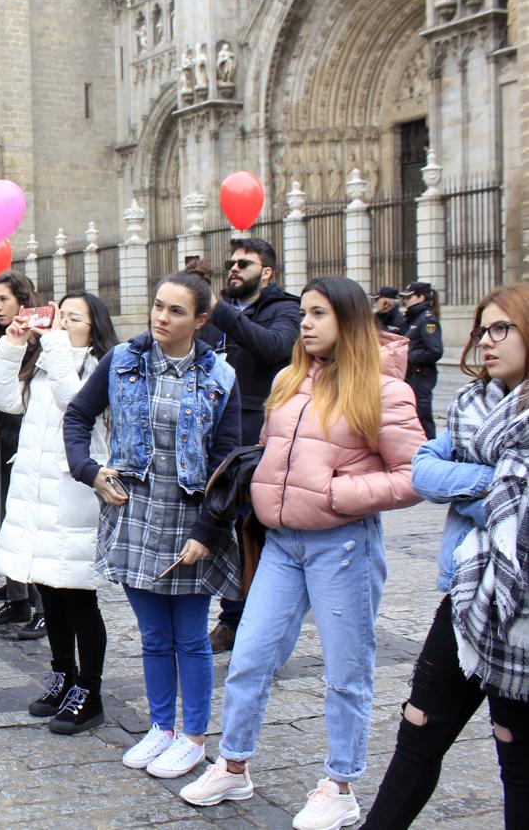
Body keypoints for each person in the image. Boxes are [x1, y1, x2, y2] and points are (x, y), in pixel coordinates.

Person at [179, 277, 427, 828]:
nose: (306, 324)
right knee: (249, 658)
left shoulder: (384, 391)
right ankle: (234, 765)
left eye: (318, 314)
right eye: (306, 313)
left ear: (349, 320)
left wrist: (340, 495)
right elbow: (271, 451)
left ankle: (340, 784)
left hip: (343, 547)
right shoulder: (290, 379)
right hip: (281, 545)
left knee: (346, 669)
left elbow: (416, 476)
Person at [361, 283, 529, 829]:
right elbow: (424, 471)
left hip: (519, 610)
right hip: (466, 594)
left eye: (501, 328)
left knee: (517, 756)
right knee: (418, 728)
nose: (485, 340)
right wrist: (496, 485)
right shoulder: (470, 403)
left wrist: (487, 492)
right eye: (482, 329)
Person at [65, 271, 242, 779]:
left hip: (190, 520)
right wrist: (89, 471)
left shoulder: (220, 376)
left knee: (189, 636)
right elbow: (77, 417)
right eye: (158, 306)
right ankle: (161, 726)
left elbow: (228, 462)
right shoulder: (122, 361)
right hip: (133, 513)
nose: (162, 317)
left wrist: (209, 532)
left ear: (201, 320)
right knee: (152, 634)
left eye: (177, 311)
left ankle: (193, 736)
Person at [0, 290, 118, 732]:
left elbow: (78, 403)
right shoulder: (47, 363)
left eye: (72, 319)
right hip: (38, 495)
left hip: (76, 496)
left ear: (92, 327)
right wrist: (12, 344)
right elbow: (6, 399)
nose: (60, 324)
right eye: (58, 316)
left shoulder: (102, 367)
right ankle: (62, 673)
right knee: (52, 592)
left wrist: (54, 344)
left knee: (80, 596)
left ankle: (91, 689)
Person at [202, 240, 300, 653]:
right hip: (215, 437)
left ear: (268, 272)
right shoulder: (217, 313)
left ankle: (257, 626)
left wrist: (220, 311)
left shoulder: (285, 309)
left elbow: (274, 347)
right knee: (221, 528)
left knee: (253, 534)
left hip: (257, 442)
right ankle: (231, 617)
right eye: (231, 263)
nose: (234, 269)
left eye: (244, 263)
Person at [0, 272, 45, 634]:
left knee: (28, 523)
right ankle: (17, 596)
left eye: (4, 299)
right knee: (6, 519)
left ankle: (39, 602)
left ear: (23, 300)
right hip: (3, 438)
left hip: (29, 440)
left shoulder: (39, 341)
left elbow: (31, 395)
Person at [400, 281, 444, 438]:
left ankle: (431, 448)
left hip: (421, 375)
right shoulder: (413, 318)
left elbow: (435, 350)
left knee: (422, 416)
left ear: (420, 297)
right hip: (412, 374)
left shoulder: (426, 319)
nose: (406, 301)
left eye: (409, 297)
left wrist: (410, 355)